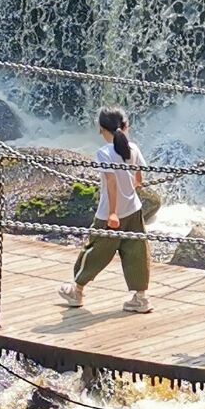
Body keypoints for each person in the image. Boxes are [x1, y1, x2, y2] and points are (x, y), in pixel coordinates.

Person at [58, 107, 152, 314]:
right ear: (126, 126)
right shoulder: (133, 148)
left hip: (110, 213)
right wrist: (131, 190)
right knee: (137, 252)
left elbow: (111, 182)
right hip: (133, 209)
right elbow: (139, 178)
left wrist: (112, 213)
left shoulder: (104, 153)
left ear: (100, 129)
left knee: (95, 251)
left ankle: (77, 291)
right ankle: (141, 298)